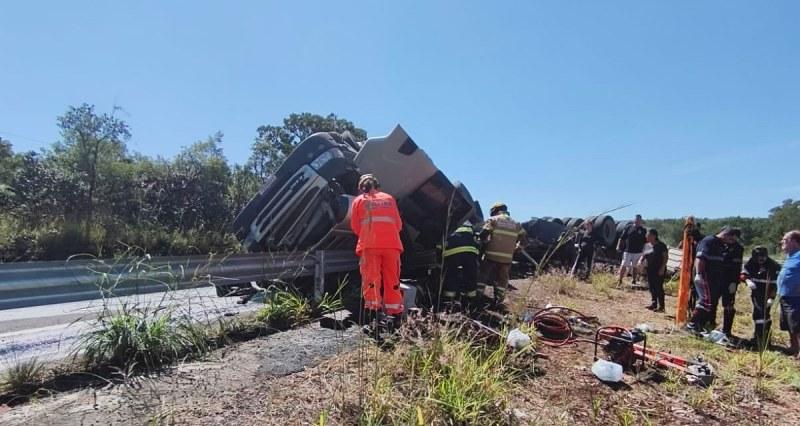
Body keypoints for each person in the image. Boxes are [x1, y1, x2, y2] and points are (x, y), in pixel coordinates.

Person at [350, 174, 404, 328]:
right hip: (392, 246)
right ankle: (395, 317)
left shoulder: (359, 201)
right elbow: (398, 225)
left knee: (371, 281)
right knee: (392, 280)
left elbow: (355, 227)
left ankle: (375, 317)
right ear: (377, 185)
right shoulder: (389, 199)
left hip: (369, 246)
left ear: (361, 187)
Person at [686, 226, 740, 333]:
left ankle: (698, 326)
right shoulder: (709, 241)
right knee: (705, 301)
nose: (731, 242)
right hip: (704, 275)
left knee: (708, 302)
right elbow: (700, 258)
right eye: (730, 239)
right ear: (725, 235)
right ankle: (692, 324)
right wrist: (699, 274)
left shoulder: (720, 244)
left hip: (712, 278)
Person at [478, 202, 527, 305]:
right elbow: (524, 239)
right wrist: (518, 248)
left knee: (482, 276)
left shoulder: (494, 220)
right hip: (507, 259)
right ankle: (498, 301)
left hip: (490, 255)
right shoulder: (516, 224)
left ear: (495, 211)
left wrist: (483, 245)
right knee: (502, 280)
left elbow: (483, 235)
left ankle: (478, 296)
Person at [740, 246, 781, 349]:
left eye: (762, 257)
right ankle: (759, 338)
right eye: (758, 257)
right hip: (756, 292)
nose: (760, 259)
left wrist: (772, 297)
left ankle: (763, 340)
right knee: (758, 314)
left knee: (763, 315)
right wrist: (747, 281)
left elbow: (777, 284)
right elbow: (743, 274)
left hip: (768, 292)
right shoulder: (751, 263)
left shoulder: (774, 266)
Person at [441, 221, 480, 309]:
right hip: (471, 252)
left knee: (451, 275)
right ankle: (470, 302)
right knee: (470, 276)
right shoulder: (469, 225)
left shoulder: (448, 221)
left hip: (452, 252)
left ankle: (448, 301)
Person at [777, 230, 800, 357]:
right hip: (785, 296)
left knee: (797, 325)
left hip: (796, 298)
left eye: (785, 240)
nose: (782, 242)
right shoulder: (790, 256)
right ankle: (794, 347)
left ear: (794, 241)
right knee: (789, 324)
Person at [720, 234, 744, 337]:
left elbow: (736, 267)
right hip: (719, 278)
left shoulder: (737, 248)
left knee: (729, 305)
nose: (731, 238)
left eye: (733, 236)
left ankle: (726, 330)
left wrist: (734, 282)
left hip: (730, 280)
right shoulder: (722, 245)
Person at [642, 229, 668, 312]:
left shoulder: (661, 245)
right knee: (651, 286)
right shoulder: (647, 245)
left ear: (654, 236)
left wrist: (662, 268)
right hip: (650, 269)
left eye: (648, 235)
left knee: (658, 287)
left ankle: (661, 306)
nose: (647, 236)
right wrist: (640, 262)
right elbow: (644, 256)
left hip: (659, 269)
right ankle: (654, 304)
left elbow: (665, 257)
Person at [617, 214, 647, 286]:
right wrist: (618, 246)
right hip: (628, 250)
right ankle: (620, 280)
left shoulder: (643, 230)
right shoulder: (628, 227)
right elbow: (622, 238)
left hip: (638, 252)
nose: (637, 221)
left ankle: (634, 280)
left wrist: (645, 251)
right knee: (623, 265)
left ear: (641, 221)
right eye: (636, 220)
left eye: (639, 220)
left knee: (635, 267)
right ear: (634, 220)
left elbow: (646, 242)